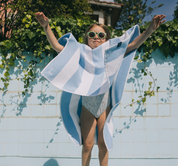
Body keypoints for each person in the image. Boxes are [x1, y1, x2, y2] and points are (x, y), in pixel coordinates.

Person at [35, 12, 166, 166]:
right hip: (87, 106)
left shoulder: (110, 53)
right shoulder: (81, 52)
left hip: (104, 106)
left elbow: (134, 45)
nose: (96, 37)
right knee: (88, 145)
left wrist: (150, 29)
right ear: (87, 37)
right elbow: (57, 46)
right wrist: (46, 27)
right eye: (92, 34)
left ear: (106, 39)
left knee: (104, 145)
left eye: (101, 35)